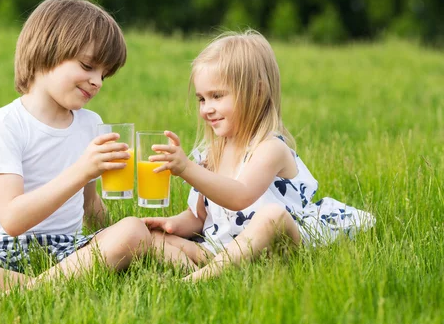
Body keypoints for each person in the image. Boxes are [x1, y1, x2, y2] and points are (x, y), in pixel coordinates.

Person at [0, 0, 152, 291]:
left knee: (134, 231)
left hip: (66, 251)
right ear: (45, 52)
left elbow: (89, 203)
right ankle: (41, 288)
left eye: (104, 74)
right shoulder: (6, 125)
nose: (97, 81)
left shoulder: (91, 124)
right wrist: (81, 170)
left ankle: (19, 288)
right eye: (88, 66)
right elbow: (12, 219)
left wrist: (116, 234)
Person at [142, 30, 375, 282]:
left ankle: (197, 279)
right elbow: (200, 217)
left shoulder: (270, 148)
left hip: (278, 246)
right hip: (223, 247)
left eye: (217, 96)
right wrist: (172, 224)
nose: (207, 109)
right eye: (201, 98)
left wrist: (187, 169)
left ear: (257, 92)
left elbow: (240, 195)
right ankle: (213, 269)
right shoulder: (212, 154)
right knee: (152, 238)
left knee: (272, 216)